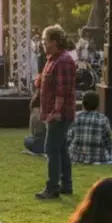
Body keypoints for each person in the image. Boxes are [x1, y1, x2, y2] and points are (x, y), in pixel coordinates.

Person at [35, 25, 76, 199]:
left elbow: (63, 90)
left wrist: (56, 112)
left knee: (51, 148)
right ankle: (66, 184)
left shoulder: (64, 60)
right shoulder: (52, 59)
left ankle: (53, 187)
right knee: (61, 148)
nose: (43, 44)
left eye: (45, 40)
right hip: (52, 110)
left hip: (59, 113)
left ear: (54, 41)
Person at [68, 90, 112, 165]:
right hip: (99, 157)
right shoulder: (103, 119)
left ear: (83, 103)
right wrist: (110, 153)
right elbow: (108, 142)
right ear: (97, 104)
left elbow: (69, 138)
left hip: (76, 157)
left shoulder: (75, 117)